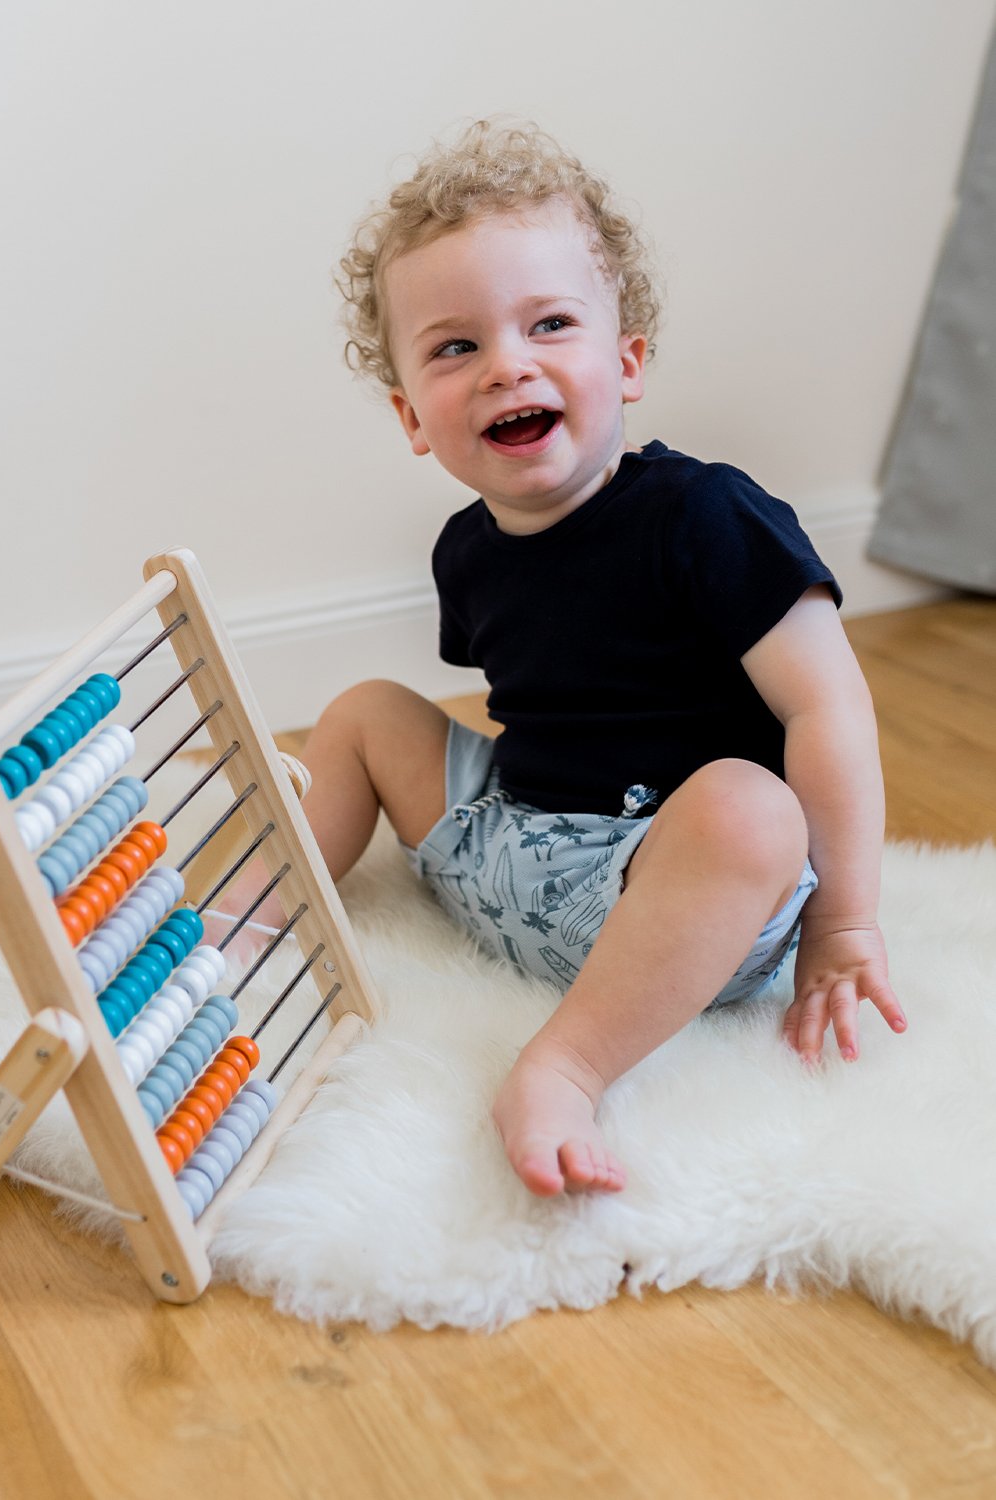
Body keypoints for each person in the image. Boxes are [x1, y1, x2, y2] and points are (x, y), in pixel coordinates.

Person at [230, 120, 906, 1198]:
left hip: (675, 902)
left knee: (750, 807)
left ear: (626, 361)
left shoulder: (708, 516)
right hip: (517, 858)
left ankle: (567, 1063)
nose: (508, 364)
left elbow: (829, 710)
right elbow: (542, 714)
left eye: (550, 324)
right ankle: (247, 925)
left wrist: (846, 922)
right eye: (457, 348)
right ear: (413, 416)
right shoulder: (465, 549)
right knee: (361, 711)